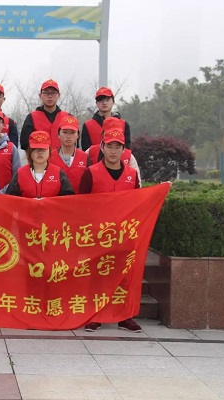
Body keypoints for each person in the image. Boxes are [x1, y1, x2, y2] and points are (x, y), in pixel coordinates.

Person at [78, 126, 141, 333]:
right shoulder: (91, 173)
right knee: (98, 275)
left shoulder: (132, 174)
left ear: (124, 149)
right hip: (98, 235)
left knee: (124, 275)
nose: (113, 151)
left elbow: (139, 202)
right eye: (109, 146)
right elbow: (80, 204)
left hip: (124, 234)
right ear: (102, 147)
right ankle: (95, 316)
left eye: (117, 146)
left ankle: (124, 317)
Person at [6, 131, 74, 198]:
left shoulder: (58, 173)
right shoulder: (20, 173)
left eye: (43, 149)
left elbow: (68, 200)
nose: (40, 153)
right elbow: (10, 199)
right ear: (29, 151)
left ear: (49, 150)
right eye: (36, 149)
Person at [19, 79, 73, 151]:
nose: (50, 96)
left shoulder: (67, 117)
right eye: (46, 93)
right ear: (40, 96)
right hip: (40, 157)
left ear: (59, 95)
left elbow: (74, 143)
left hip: (63, 157)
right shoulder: (32, 117)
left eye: (53, 93)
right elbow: (25, 144)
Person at [85, 117, 141, 184]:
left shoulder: (129, 156)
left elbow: (137, 184)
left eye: (117, 132)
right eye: (110, 132)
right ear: (102, 133)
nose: (114, 134)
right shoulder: (90, 152)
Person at [48, 115, 91, 193]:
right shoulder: (49, 157)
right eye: (64, 132)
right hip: (55, 199)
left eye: (72, 132)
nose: (68, 136)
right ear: (58, 134)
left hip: (80, 199)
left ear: (78, 135)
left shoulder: (85, 157)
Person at [80, 86, 131, 151]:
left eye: (107, 100)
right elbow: (86, 151)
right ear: (96, 103)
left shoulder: (123, 124)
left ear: (113, 102)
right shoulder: (88, 125)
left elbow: (126, 150)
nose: (104, 103)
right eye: (101, 100)